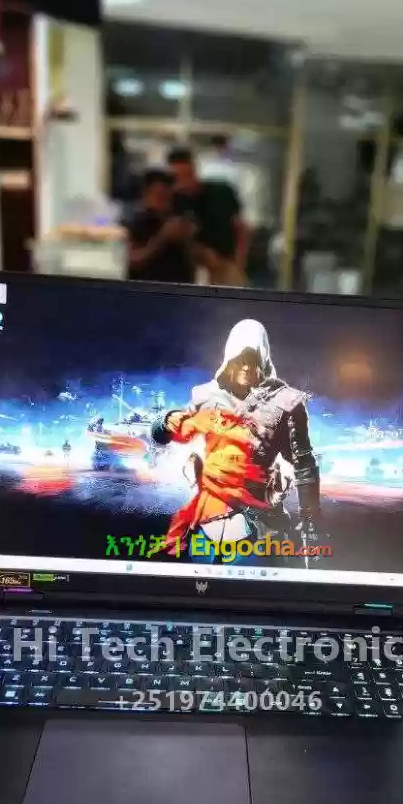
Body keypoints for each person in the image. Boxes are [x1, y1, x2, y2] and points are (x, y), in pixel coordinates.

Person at [150, 318, 321, 560]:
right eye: (240, 359)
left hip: (258, 524)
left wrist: (311, 522)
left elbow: (304, 465)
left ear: (263, 359)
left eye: (253, 359)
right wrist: (165, 421)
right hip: (208, 521)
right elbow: (165, 433)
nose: (246, 367)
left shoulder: (285, 403)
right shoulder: (206, 396)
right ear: (229, 359)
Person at [167, 147, 251, 286]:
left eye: (187, 175)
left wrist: (239, 262)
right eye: (178, 178)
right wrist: (200, 252)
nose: (184, 183)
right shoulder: (175, 201)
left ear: (194, 170)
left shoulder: (221, 192)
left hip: (227, 264)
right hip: (194, 268)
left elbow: (241, 228)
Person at [125, 169, 196, 283]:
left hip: (178, 286)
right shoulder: (138, 221)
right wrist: (162, 238)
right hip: (147, 287)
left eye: (168, 198)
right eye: (160, 197)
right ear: (146, 195)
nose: (165, 204)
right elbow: (133, 260)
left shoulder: (177, 218)